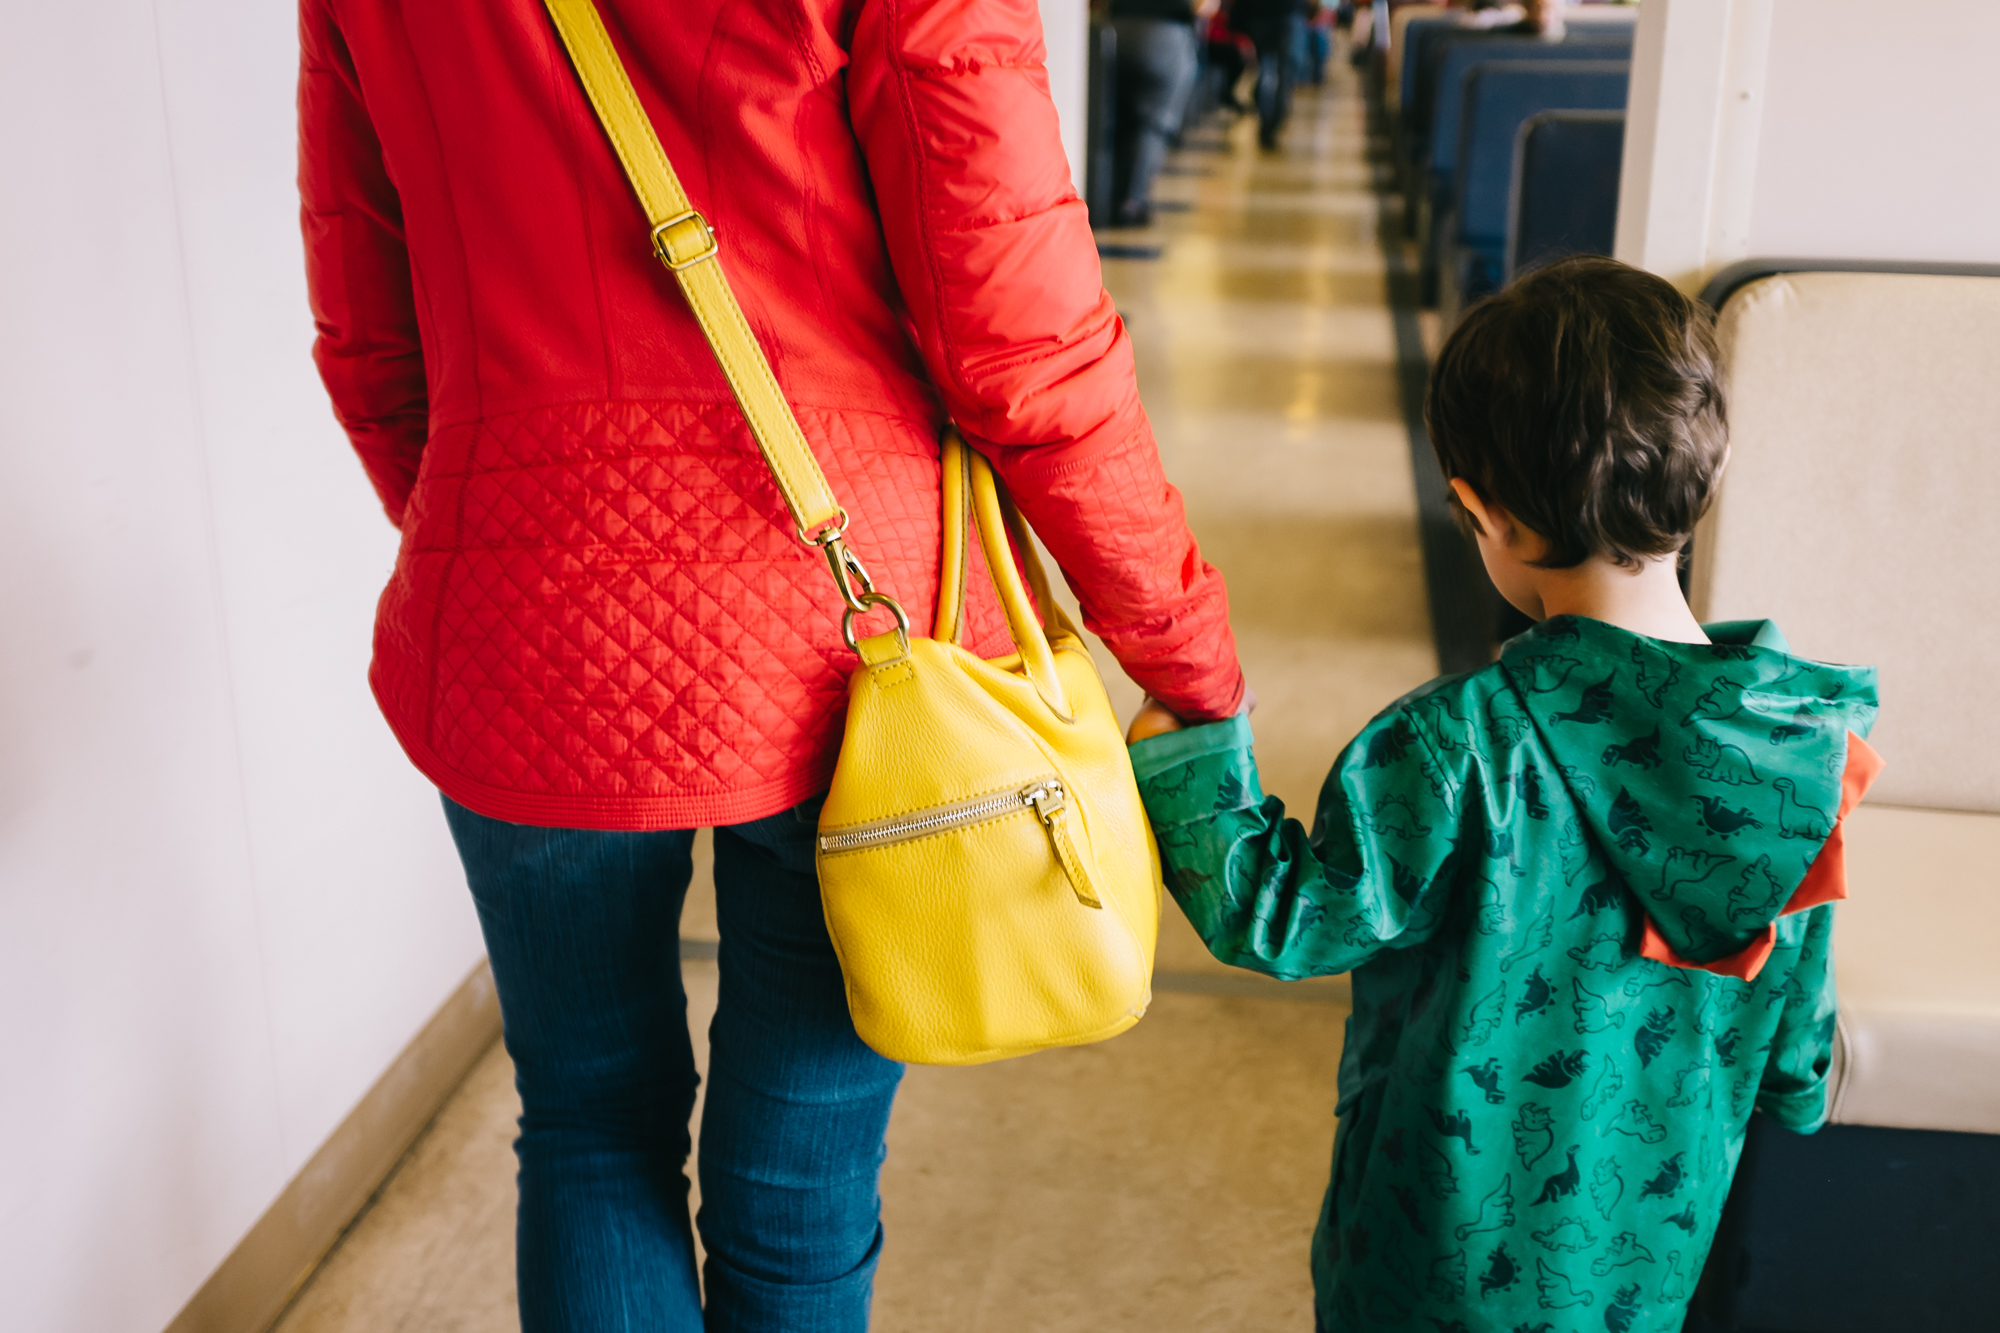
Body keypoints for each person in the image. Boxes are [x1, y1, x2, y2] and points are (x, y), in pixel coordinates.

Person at [297, 1, 1245, 1329]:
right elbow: (1020, 338)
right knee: (802, 1161)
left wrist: (521, 550)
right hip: (857, 644)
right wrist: (1179, 639)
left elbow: (372, 331)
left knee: (583, 1120)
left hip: (525, 625)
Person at [1123, 256, 1882, 1331]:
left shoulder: (1452, 747)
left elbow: (1283, 918)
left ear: (1488, 516)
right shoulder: (1797, 749)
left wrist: (1187, 762)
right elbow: (1797, 1051)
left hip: (1429, 1253)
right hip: (1639, 1262)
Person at [1108, 0, 1216, 227]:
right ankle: (1132, 202)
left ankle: (1109, 197)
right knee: (1153, 124)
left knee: (1118, 120)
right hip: (1165, 35)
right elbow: (1204, 6)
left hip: (1115, 32)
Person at [1234, 0, 1313, 148]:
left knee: (1268, 73)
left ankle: (1268, 120)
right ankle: (1272, 122)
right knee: (1281, 74)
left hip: (1262, 21)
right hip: (1282, 20)